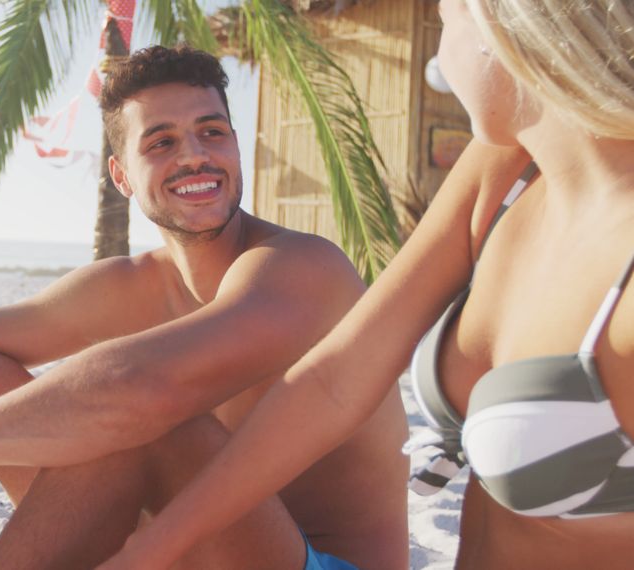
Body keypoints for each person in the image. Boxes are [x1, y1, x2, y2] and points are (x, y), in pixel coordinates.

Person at [0, 45, 410, 569]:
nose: (196, 156)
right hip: (172, 546)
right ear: (121, 176)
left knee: (146, 426)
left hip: (315, 561)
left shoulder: (299, 268)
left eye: (213, 131)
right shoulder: (126, 286)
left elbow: (140, 386)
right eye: (161, 142)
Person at [97, 1, 634, 569]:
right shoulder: (505, 172)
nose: (437, 54)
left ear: (501, 29)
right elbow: (336, 379)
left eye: (447, 21)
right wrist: (147, 551)